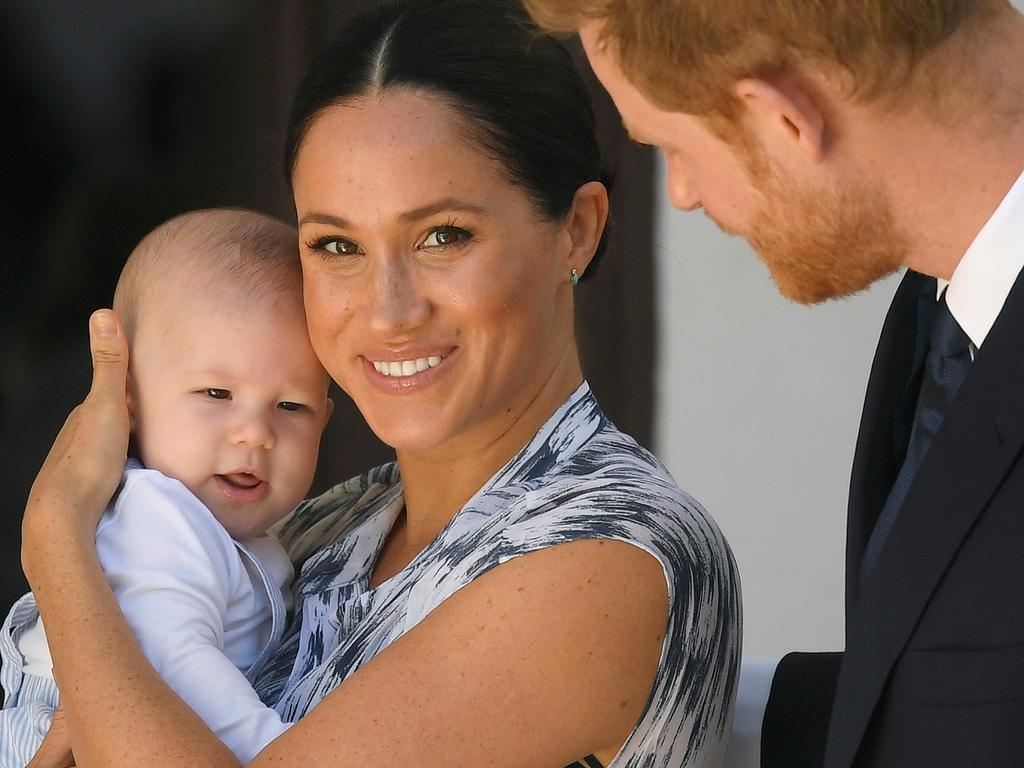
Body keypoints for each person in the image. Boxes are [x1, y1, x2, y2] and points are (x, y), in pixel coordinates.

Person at [16, 1, 742, 767]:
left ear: (579, 228)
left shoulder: (612, 555)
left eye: (442, 236)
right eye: (336, 245)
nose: (388, 312)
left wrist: (59, 541)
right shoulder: (320, 529)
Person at [523, 0, 1024, 766]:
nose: (682, 194)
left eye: (670, 148)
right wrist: (662, 702)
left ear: (782, 121)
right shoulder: (941, 305)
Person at [1, 208, 333, 766]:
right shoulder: (159, 518)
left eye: (291, 406)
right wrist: (278, 751)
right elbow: (174, 665)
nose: (255, 433)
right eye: (215, 394)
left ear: (325, 420)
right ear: (127, 400)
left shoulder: (246, 536)